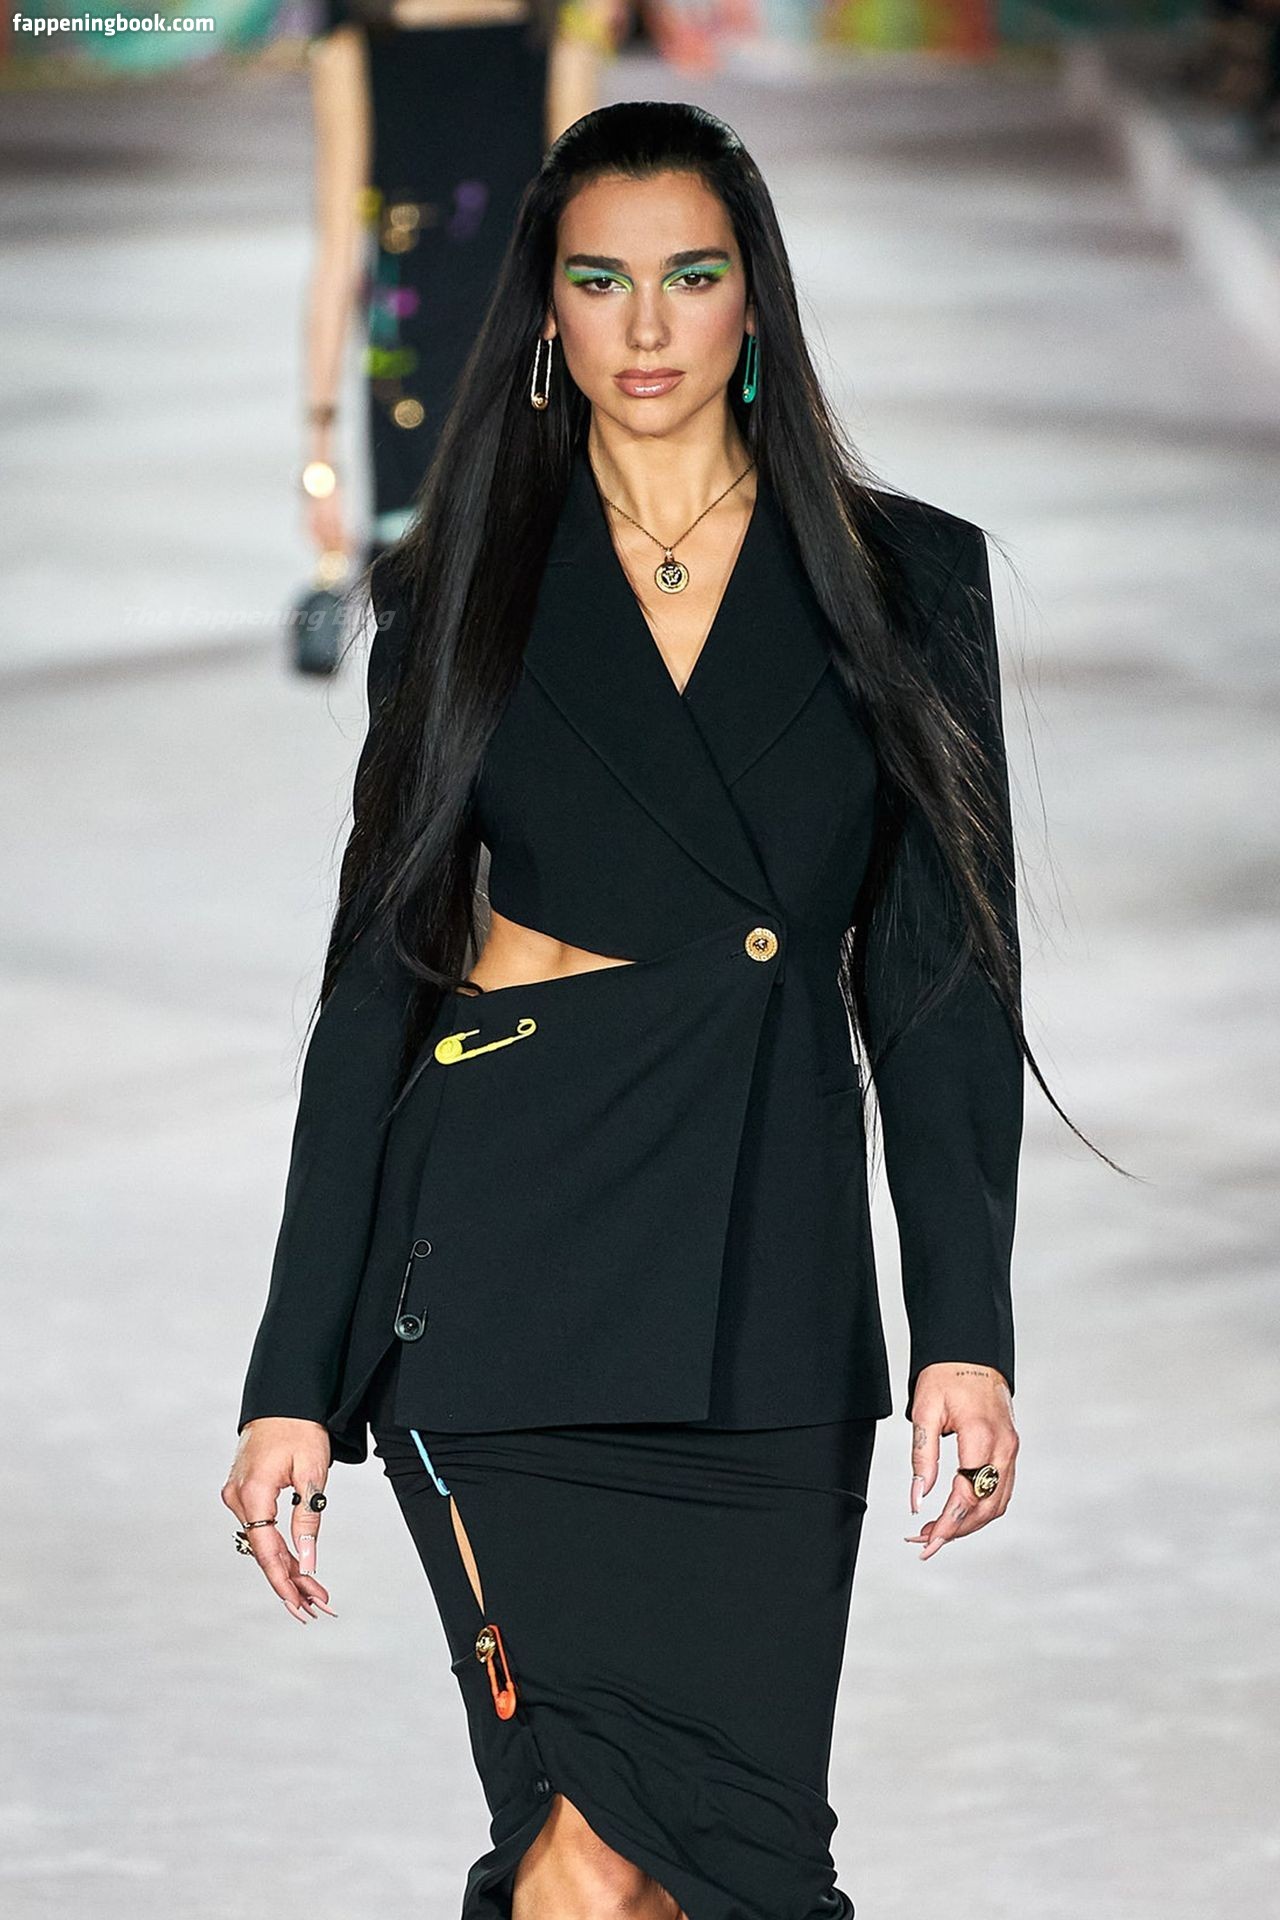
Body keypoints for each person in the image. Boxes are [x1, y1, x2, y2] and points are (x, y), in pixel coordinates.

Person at [225, 97, 1062, 1920]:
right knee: (583, 1865)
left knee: (731, 1867)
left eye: (691, 275)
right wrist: (292, 1379)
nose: (649, 324)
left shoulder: (907, 583)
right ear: (546, 309)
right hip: (505, 1261)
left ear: (755, 297)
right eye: (601, 281)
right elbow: (373, 983)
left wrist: (967, 1330)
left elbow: (938, 981)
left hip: (767, 1288)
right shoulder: (458, 587)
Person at [301, 0, 624, 573]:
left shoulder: (554, 38)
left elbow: (582, 244)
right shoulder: (357, 43)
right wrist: (320, 458)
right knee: (439, 599)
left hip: (519, 375)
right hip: (426, 392)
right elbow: (337, 255)